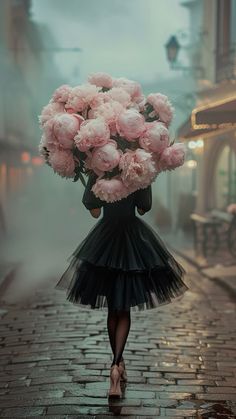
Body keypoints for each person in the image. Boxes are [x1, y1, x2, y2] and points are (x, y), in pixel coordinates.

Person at [55, 172, 189, 398]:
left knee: (112, 311)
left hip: (105, 240)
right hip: (132, 240)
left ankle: (116, 365)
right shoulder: (137, 167)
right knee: (123, 309)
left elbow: (94, 211)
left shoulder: (98, 168)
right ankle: (117, 365)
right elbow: (143, 208)